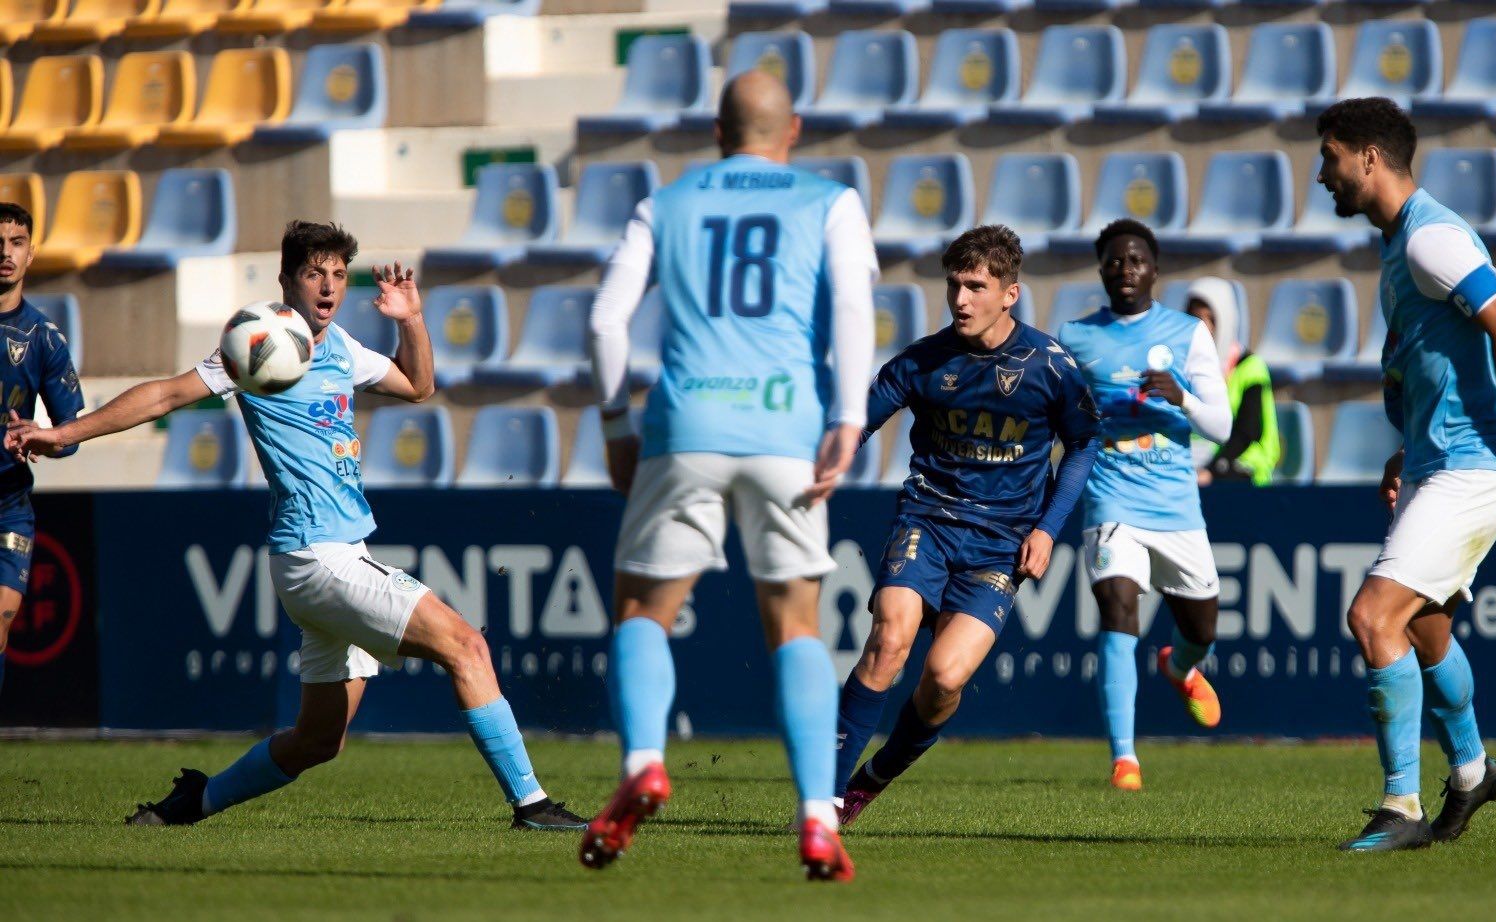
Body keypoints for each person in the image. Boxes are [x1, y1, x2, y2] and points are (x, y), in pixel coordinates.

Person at [6, 221, 584, 831]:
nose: (328, 287)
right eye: (314, 273)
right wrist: (63, 432)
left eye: (337, 274)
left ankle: (193, 802)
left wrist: (411, 319)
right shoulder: (259, 343)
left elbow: (419, 385)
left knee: (318, 740)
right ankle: (532, 805)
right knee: (466, 645)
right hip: (317, 557)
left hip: (335, 555)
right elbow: (165, 397)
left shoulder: (343, 347)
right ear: (286, 281)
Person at [580, 70, 878, 881]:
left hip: (686, 427)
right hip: (787, 429)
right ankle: (816, 816)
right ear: (795, 129)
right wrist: (849, 418)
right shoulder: (832, 202)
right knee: (797, 625)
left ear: (717, 132)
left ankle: (644, 762)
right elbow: (854, 308)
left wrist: (616, 427)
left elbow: (605, 320)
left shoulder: (666, 204)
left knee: (642, 610)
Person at [1314, 98, 1496, 851]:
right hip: (1438, 462)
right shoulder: (1401, 245)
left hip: (1472, 467)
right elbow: (1439, 364)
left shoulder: (1430, 238)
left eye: (1329, 156)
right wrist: (1407, 453)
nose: (1321, 175)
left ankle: (1401, 808)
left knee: (1373, 618)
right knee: (1425, 631)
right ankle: (1472, 771)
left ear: (1368, 157)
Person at [832, 225, 1100, 826]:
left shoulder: (1050, 366)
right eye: (954, 284)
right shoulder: (923, 360)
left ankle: (872, 778)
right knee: (889, 641)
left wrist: (1048, 528)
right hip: (927, 519)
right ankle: (823, 800)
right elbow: (856, 424)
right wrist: (815, 469)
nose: (960, 299)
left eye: (976, 287)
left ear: (1010, 293)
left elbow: (1084, 443)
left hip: (1001, 544)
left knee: (944, 678)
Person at [1056, 219, 1234, 792]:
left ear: (1154, 270)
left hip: (1175, 504)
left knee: (1202, 628)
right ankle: (1124, 759)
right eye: (1114, 260)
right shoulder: (1075, 337)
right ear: (1101, 269)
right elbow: (1052, 411)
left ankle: (1180, 666)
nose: (1124, 269)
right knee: (1118, 608)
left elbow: (1222, 426)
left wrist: (1182, 397)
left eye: (1135, 260)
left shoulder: (1187, 333)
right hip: (1110, 496)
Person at [0, 202, 85, 697]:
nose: (6, 253)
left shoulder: (44, 338)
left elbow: (70, 432)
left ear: (31, 254)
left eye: (16, 243)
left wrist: (43, 439)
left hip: (8, 504)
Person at [1185, 278, 1278, 486]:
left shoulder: (1251, 367)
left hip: (1242, 464)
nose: (1204, 327)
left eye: (1211, 319)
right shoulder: (1182, 366)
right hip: (1196, 463)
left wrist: (1211, 471)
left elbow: (1247, 432)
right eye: (1195, 319)